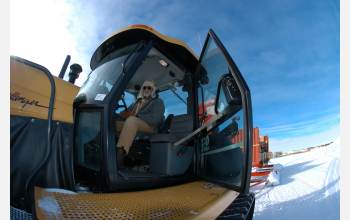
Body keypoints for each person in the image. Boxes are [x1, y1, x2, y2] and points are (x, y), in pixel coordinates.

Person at [116, 80, 165, 167]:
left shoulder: (158, 102)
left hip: (151, 127)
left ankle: (121, 153)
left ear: (153, 90)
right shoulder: (136, 103)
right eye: (144, 87)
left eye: (149, 88)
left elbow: (156, 119)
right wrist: (117, 114)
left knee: (132, 121)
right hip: (134, 123)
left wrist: (137, 116)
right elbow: (124, 114)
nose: (146, 89)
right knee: (113, 123)